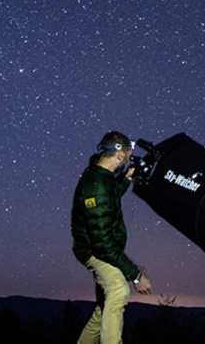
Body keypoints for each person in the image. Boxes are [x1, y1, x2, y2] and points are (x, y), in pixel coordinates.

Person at [71, 131, 152, 344]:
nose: (128, 159)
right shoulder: (95, 186)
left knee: (104, 308)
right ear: (118, 156)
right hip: (94, 250)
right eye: (127, 155)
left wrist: (126, 178)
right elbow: (102, 244)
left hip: (99, 247)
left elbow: (111, 195)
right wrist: (136, 275)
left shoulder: (101, 177)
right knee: (118, 289)